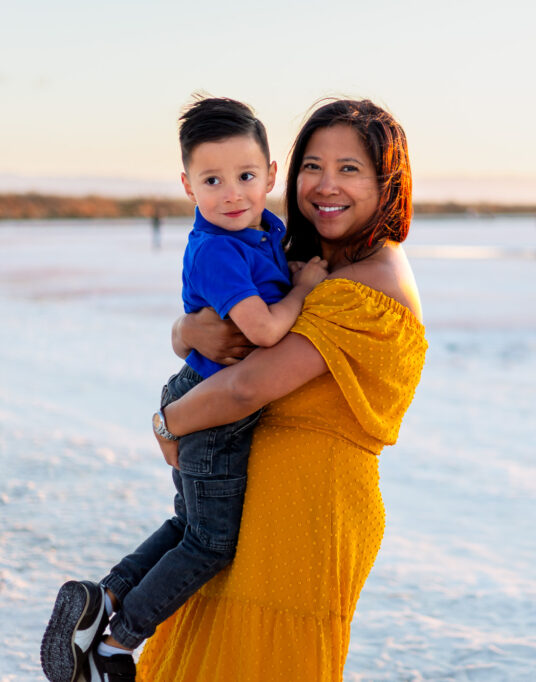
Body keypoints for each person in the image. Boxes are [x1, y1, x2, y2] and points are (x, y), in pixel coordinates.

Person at [133, 98, 426, 681]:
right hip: (250, 502)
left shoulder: (369, 281)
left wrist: (169, 421)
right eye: (312, 165)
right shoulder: (306, 262)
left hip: (313, 511)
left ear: (385, 182)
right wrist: (184, 329)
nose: (325, 184)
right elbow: (222, 331)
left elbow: (248, 385)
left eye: (350, 169)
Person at [40, 97, 329, 682]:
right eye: (213, 180)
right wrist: (306, 290)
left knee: (186, 523)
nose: (233, 194)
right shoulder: (219, 250)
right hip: (214, 406)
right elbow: (266, 330)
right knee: (211, 544)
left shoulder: (263, 229)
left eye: (247, 177)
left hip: (205, 390)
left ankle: (103, 599)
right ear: (187, 186)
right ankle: (117, 645)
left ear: (272, 175)